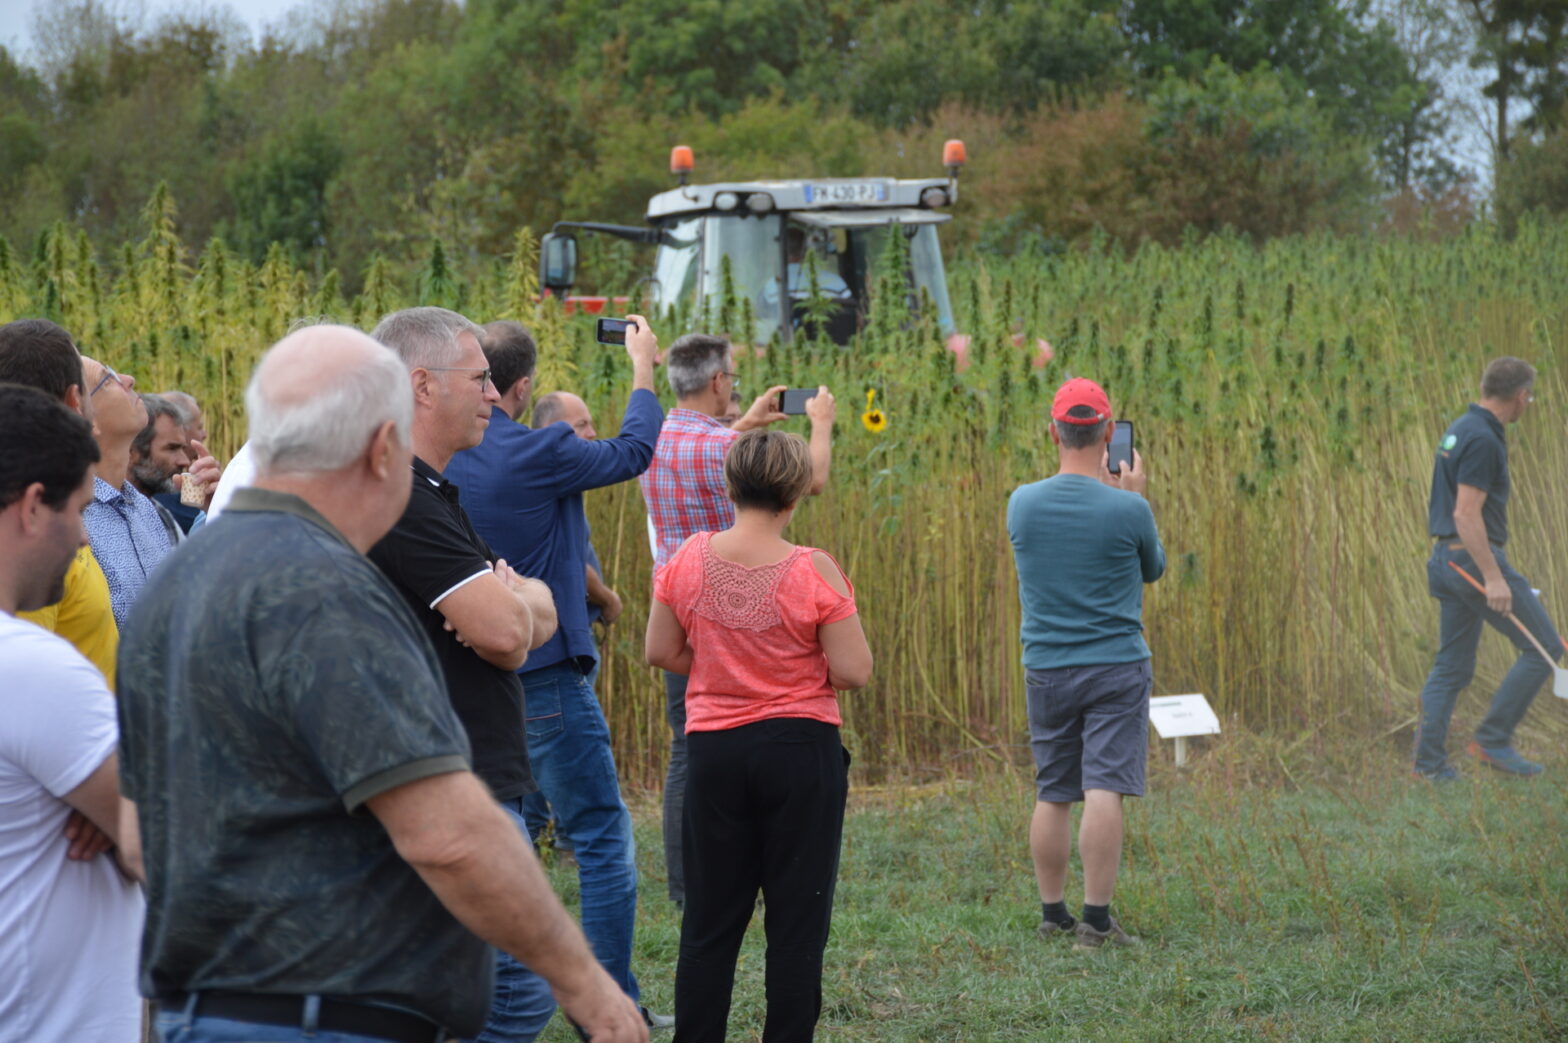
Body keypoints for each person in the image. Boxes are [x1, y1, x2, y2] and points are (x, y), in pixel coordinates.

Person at [117, 325, 647, 1043]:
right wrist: (590, 986)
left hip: (205, 1006)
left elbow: (139, 834)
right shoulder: (330, 589)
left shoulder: (171, 586)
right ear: (382, 447)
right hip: (333, 1011)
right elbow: (449, 833)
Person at [446, 317, 668, 1030]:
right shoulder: (538, 450)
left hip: (465, 683)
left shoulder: (438, 459)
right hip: (543, 677)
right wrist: (641, 367)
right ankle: (608, 1005)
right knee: (601, 835)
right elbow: (635, 449)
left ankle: (489, 996)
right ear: (520, 387)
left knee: (499, 839)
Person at [365, 307, 566, 1043]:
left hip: (472, 778)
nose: (494, 394)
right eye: (480, 378)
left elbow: (525, 618)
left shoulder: (432, 491)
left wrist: (517, 601)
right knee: (513, 990)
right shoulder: (403, 498)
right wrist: (511, 601)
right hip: (457, 783)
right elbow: (508, 632)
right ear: (421, 385)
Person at [645, 427, 870, 1042]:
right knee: (796, 927)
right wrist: (789, 668)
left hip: (715, 752)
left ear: (729, 484)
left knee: (709, 925)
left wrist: (722, 664)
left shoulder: (687, 558)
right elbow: (853, 670)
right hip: (800, 752)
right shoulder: (814, 568)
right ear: (795, 494)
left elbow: (659, 649)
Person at [638, 332, 834, 907]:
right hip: (741, 613)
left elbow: (714, 447)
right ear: (719, 380)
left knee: (687, 750)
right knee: (761, 740)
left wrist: (744, 423)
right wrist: (820, 422)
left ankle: (685, 885)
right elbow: (808, 481)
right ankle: (767, 874)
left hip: (680, 611)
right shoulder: (717, 448)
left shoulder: (653, 438)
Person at [0, 383, 144, 1043]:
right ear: (34, 506)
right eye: (81, 509)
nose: (86, 537)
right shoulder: (37, 671)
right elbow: (173, 845)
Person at [1007, 377, 1165, 950]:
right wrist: (1135, 496)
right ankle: (1096, 923)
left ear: (1053, 431)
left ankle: (1054, 913)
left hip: (1046, 665)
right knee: (1104, 786)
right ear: (1107, 433)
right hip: (1116, 666)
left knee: (1054, 789)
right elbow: (1153, 570)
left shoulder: (1021, 502)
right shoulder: (1129, 509)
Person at [1415, 357, 1556, 779]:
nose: (1527, 405)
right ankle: (1493, 740)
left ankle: (1429, 768)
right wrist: (1493, 576)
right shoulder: (1482, 439)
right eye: (1529, 397)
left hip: (1447, 560)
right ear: (1520, 396)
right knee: (1544, 649)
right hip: (1470, 560)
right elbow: (1465, 514)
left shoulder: (1461, 428)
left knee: (1452, 667)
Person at [0, 318, 119, 685]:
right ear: (74, 401)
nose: (82, 534)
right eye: (91, 392)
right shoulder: (36, 536)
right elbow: (19, 682)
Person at [80, 357, 174, 628]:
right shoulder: (73, 519)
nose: (129, 379)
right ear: (84, 414)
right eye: (107, 380)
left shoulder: (142, 506)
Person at [129, 393, 196, 539]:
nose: (184, 461)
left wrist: (211, 507)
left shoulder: (162, 516)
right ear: (133, 451)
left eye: (183, 449)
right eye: (172, 448)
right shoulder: (90, 517)